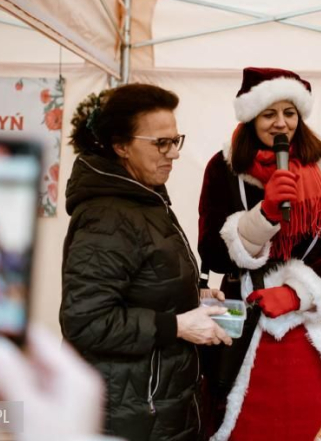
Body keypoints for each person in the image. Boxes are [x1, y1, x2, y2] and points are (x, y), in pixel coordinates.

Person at [197, 67, 321, 440]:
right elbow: (211, 251)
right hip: (245, 323)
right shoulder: (223, 170)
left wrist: (296, 293)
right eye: (269, 114)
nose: (280, 124)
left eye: (289, 113)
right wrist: (263, 218)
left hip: (313, 324)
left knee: (318, 424)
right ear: (251, 117)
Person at [60, 84, 231, 440]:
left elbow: (143, 284)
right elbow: (86, 321)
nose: (174, 154)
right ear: (120, 146)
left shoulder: (143, 198)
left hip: (154, 404)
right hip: (131, 414)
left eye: (175, 140)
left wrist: (191, 298)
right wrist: (178, 326)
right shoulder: (106, 216)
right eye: (160, 143)